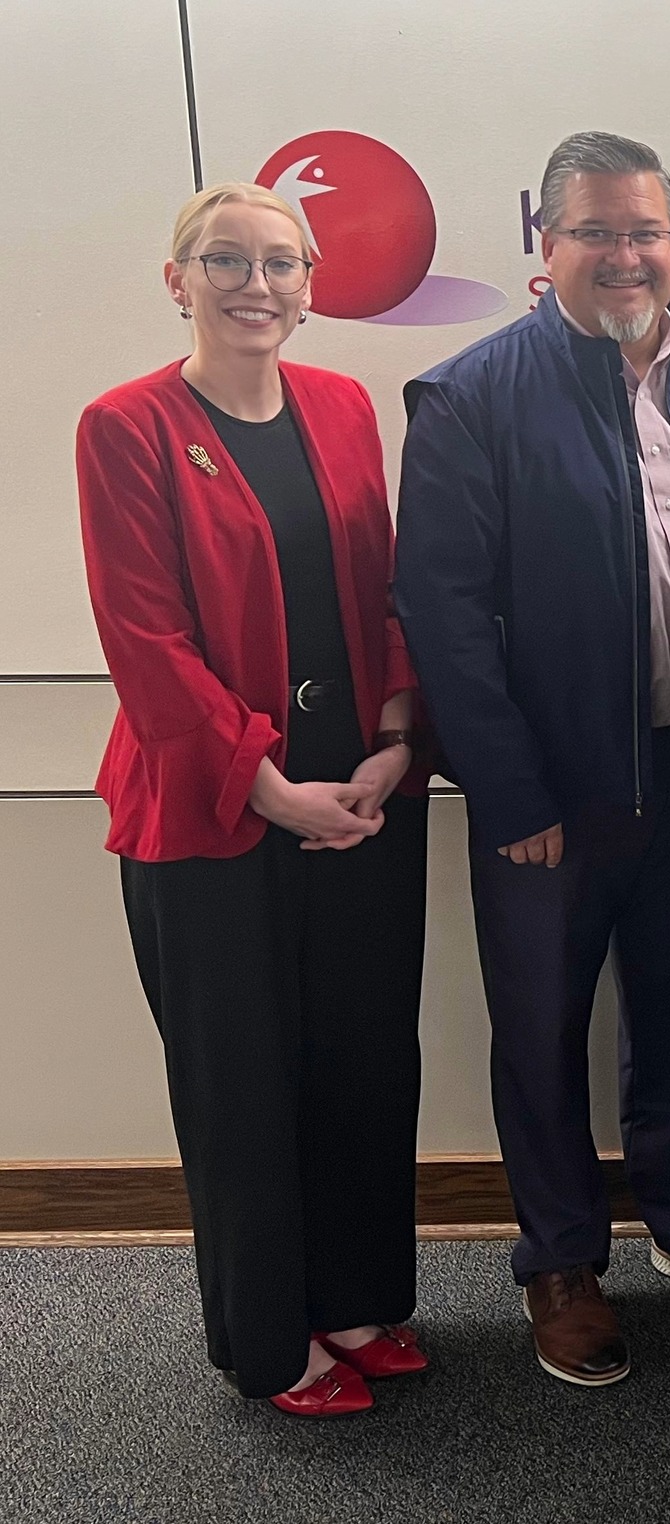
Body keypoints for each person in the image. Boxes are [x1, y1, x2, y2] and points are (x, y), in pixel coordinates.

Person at [394, 132, 670, 1387]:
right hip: (549, 791)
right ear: (547, 243)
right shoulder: (469, 397)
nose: (626, 255)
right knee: (540, 1027)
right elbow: (443, 613)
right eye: (598, 232)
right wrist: (507, 790)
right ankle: (558, 1259)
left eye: (645, 231)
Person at [78, 183, 430, 1416]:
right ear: (177, 279)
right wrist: (273, 791)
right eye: (225, 260)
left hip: (361, 798)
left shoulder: (341, 406)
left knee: (362, 1060)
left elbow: (385, 589)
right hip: (215, 809)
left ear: (312, 283)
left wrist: (397, 740)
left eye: (281, 262)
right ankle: (272, 1346)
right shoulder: (125, 426)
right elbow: (146, 640)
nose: (255, 284)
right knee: (242, 1085)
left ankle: (354, 1301)